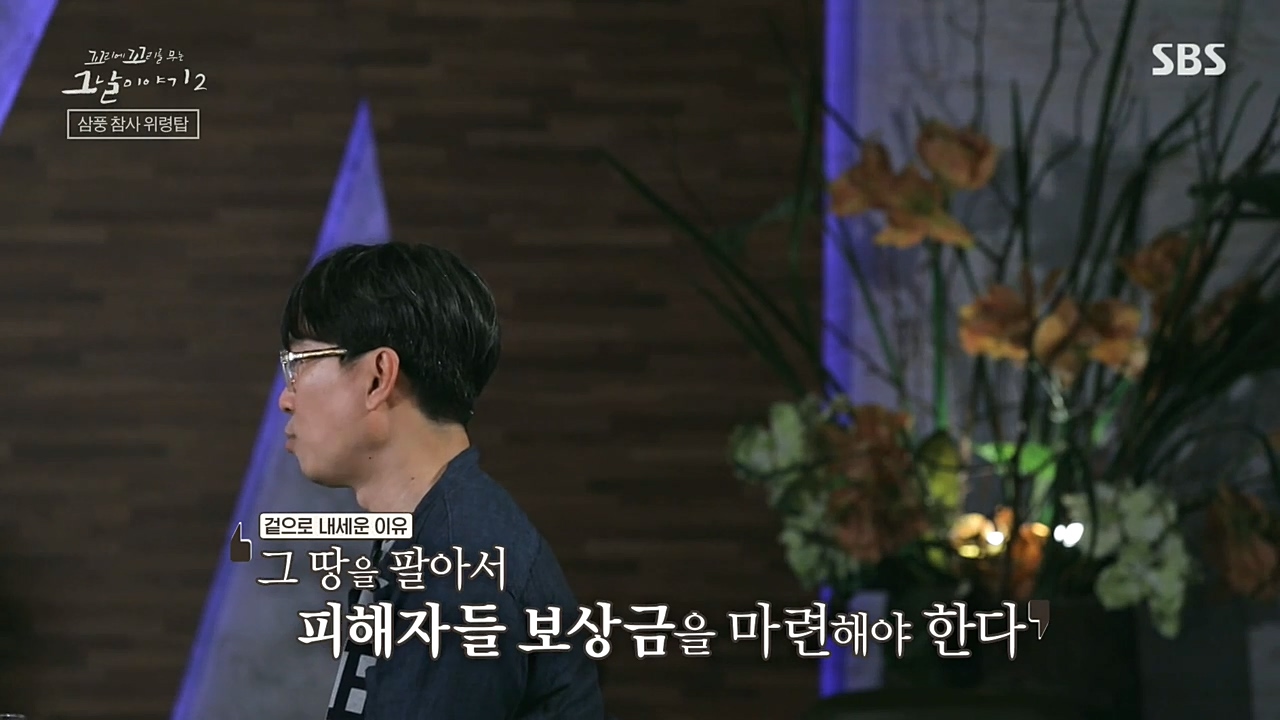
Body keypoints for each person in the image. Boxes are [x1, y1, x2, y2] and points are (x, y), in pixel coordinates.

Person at [276, 242, 605, 719]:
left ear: (378, 377)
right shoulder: (436, 534)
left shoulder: (458, 569)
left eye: (300, 363)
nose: (286, 399)